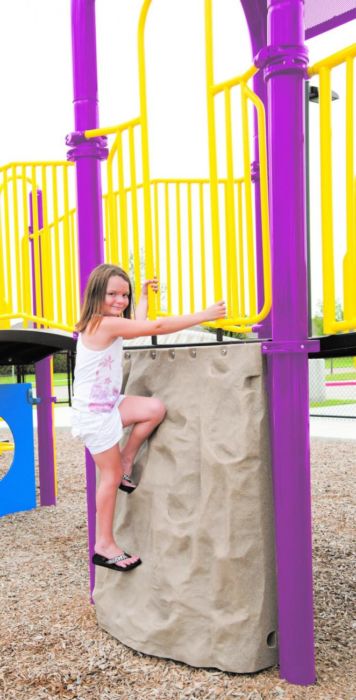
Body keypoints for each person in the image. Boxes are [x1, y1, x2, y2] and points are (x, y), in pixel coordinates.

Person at [71, 263, 226, 573]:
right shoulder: (101, 324)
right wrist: (204, 315)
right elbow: (154, 329)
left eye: (124, 294)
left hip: (109, 405)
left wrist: (141, 297)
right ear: (96, 294)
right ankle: (104, 544)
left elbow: (139, 327)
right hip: (94, 415)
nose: (119, 300)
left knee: (154, 409)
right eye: (112, 293)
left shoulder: (111, 323)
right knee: (110, 478)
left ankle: (128, 459)